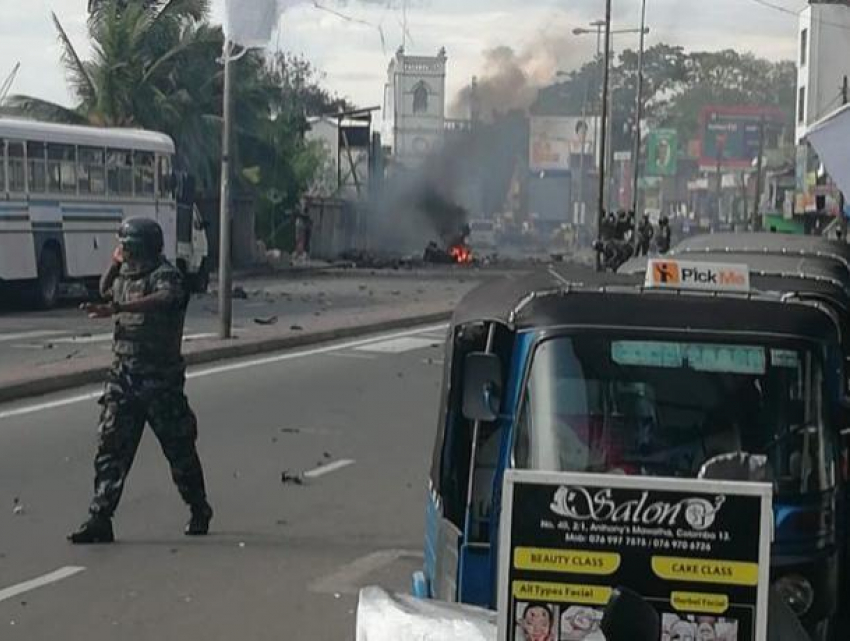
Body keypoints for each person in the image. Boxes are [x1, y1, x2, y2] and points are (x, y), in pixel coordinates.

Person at [68, 218, 213, 544]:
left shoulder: (167, 276)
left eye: (129, 247)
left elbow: (163, 300)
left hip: (160, 382)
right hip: (123, 379)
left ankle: (199, 507)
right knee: (110, 450)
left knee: (179, 451)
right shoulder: (124, 275)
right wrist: (113, 263)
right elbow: (105, 288)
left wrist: (119, 307)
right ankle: (100, 517)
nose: (126, 253)